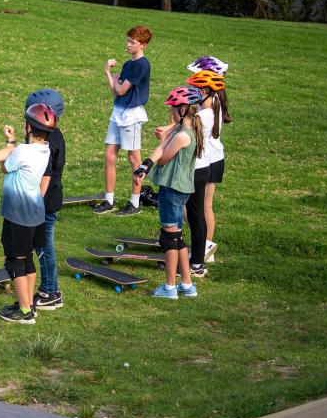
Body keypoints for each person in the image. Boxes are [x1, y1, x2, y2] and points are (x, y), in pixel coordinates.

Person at [0, 103, 57, 324]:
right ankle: (28, 305)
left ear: (29, 127)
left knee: (15, 261)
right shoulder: (45, 149)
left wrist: (2, 151)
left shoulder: (23, 151)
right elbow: (14, 152)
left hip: (19, 214)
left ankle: (25, 312)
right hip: (35, 213)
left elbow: (6, 166)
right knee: (27, 259)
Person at [133, 86, 204, 299]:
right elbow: (161, 148)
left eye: (172, 109)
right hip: (179, 189)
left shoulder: (183, 136)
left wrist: (160, 151)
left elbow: (164, 157)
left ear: (182, 110)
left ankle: (170, 287)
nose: (170, 113)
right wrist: (145, 166)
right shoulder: (181, 130)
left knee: (169, 238)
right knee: (178, 237)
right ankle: (187, 284)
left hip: (173, 190)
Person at [94, 25, 152, 216]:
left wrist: (116, 80)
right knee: (110, 155)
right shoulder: (128, 64)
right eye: (128, 40)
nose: (127, 44)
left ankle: (134, 203)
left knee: (134, 158)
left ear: (142, 45)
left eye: (132, 42)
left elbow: (120, 90)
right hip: (118, 112)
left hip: (131, 116)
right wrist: (109, 75)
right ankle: (109, 201)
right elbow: (116, 93)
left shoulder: (142, 65)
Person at [187, 56, 231, 263]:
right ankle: (203, 247)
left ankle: (203, 249)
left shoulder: (209, 106)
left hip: (209, 159)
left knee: (200, 208)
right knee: (203, 207)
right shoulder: (216, 99)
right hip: (214, 158)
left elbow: (190, 125)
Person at [26, 90, 66, 312]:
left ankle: (51, 292)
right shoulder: (54, 134)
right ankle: (49, 289)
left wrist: (35, 203)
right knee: (41, 245)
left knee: (44, 247)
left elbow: (44, 175)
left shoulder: (47, 144)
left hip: (44, 202)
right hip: (49, 199)